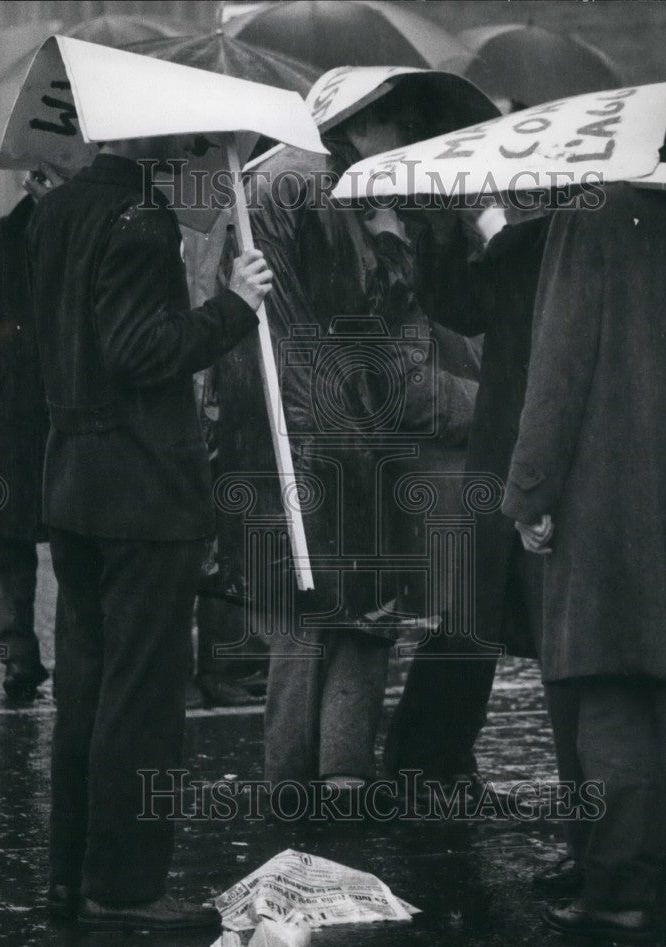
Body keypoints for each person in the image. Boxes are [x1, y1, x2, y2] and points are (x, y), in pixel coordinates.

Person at [215, 74, 488, 804]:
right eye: (408, 129)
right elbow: (381, 352)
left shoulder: (273, 176)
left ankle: (302, 789)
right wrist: (397, 248)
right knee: (359, 617)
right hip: (338, 433)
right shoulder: (335, 190)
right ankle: (334, 784)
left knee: (301, 619)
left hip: (273, 431)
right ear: (375, 125)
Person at [26, 139, 272, 930]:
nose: (195, 155)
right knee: (141, 699)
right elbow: (143, 351)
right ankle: (125, 885)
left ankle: (72, 874)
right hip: (142, 492)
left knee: (87, 692)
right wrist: (236, 304)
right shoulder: (140, 218)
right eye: (189, 145)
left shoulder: (57, 209)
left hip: (75, 482)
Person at [502, 182, 666, 941]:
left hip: (613, 497)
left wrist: (530, 491)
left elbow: (560, 362)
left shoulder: (591, 214)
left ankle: (623, 893)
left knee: (614, 694)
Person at [385, 205, 555, 809]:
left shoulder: (506, 238)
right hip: (463, 472)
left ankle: (434, 760)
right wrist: (504, 401)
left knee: (487, 616)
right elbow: (409, 383)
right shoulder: (420, 256)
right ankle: (426, 761)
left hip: (498, 458)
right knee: (479, 617)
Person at [0, 170, 61, 702]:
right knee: (72, 536)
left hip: (10, 410)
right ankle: (63, 658)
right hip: (57, 403)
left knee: (12, 542)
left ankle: (18, 657)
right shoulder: (75, 233)